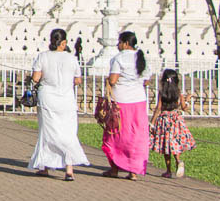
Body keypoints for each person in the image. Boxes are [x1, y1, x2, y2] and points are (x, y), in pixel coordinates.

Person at [29, 28, 89, 180]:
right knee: (68, 133)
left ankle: (46, 166)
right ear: (64, 42)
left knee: (48, 132)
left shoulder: (43, 56)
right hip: (66, 100)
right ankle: (69, 169)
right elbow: (78, 80)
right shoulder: (72, 58)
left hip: (48, 98)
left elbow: (36, 78)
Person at [103, 31, 152, 179]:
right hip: (138, 100)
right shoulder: (141, 57)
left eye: (119, 42)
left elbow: (113, 80)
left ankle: (115, 169)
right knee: (136, 135)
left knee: (116, 134)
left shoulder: (118, 58)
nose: (118, 45)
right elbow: (146, 80)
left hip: (122, 101)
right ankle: (133, 171)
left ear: (125, 43)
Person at [150, 69, 195, 178]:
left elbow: (158, 108)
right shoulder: (178, 92)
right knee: (174, 142)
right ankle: (178, 161)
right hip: (175, 119)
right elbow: (184, 107)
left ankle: (168, 171)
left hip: (164, 120)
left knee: (166, 145)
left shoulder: (162, 92)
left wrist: (152, 123)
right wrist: (188, 99)